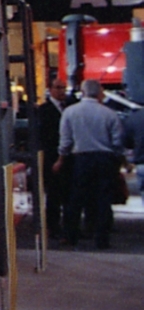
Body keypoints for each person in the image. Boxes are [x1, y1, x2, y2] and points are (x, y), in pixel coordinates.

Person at [57, 78, 127, 248]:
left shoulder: (70, 112)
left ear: (83, 92)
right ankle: (102, 238)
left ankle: (71, 235)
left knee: (76, 198)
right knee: (103, 199)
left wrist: (61, 158)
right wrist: (119, 160)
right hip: (104, 159)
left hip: (81, 159)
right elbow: (118, 141)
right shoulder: (109, 114)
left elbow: (66, 140)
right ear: (99, 93)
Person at [34, 86, 67, 233]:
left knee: (66, 192)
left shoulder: (68, 107)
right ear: (51, 90)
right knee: (53, 193)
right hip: (51, 155)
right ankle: (53, 226)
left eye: (63, 88)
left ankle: (67, 226)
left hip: (67, 156)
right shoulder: (44, 110)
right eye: (58, 88)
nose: (62, 91)